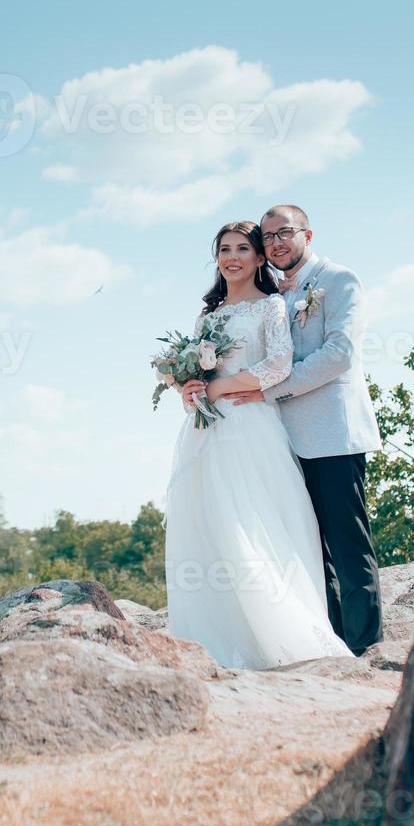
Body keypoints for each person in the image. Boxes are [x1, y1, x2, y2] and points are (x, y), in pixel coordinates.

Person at [164, 221, 353, 669]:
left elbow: (279, 364)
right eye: (224, 249)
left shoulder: (271, 307)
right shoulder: (206, 317)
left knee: (251, 519)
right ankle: (217, 633)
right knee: (208, 523)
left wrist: (220, 387)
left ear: (258, 257)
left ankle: (277, 630)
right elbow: (197, 379)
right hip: (206, 431)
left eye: (242, 249)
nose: (232, 257)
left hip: (252, 425)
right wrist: (188, 388)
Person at [216, 204, 384, 655]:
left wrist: (269, 393)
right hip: (280, 440)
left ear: (308, 234)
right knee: (307, 549)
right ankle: (327, 643)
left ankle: (367, 650)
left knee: (349, 549)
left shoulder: (338, 281)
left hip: (331, 433)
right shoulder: (275, 293)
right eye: (267, 237)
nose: (275, 243)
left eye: (284, 233)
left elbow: (339, 355)